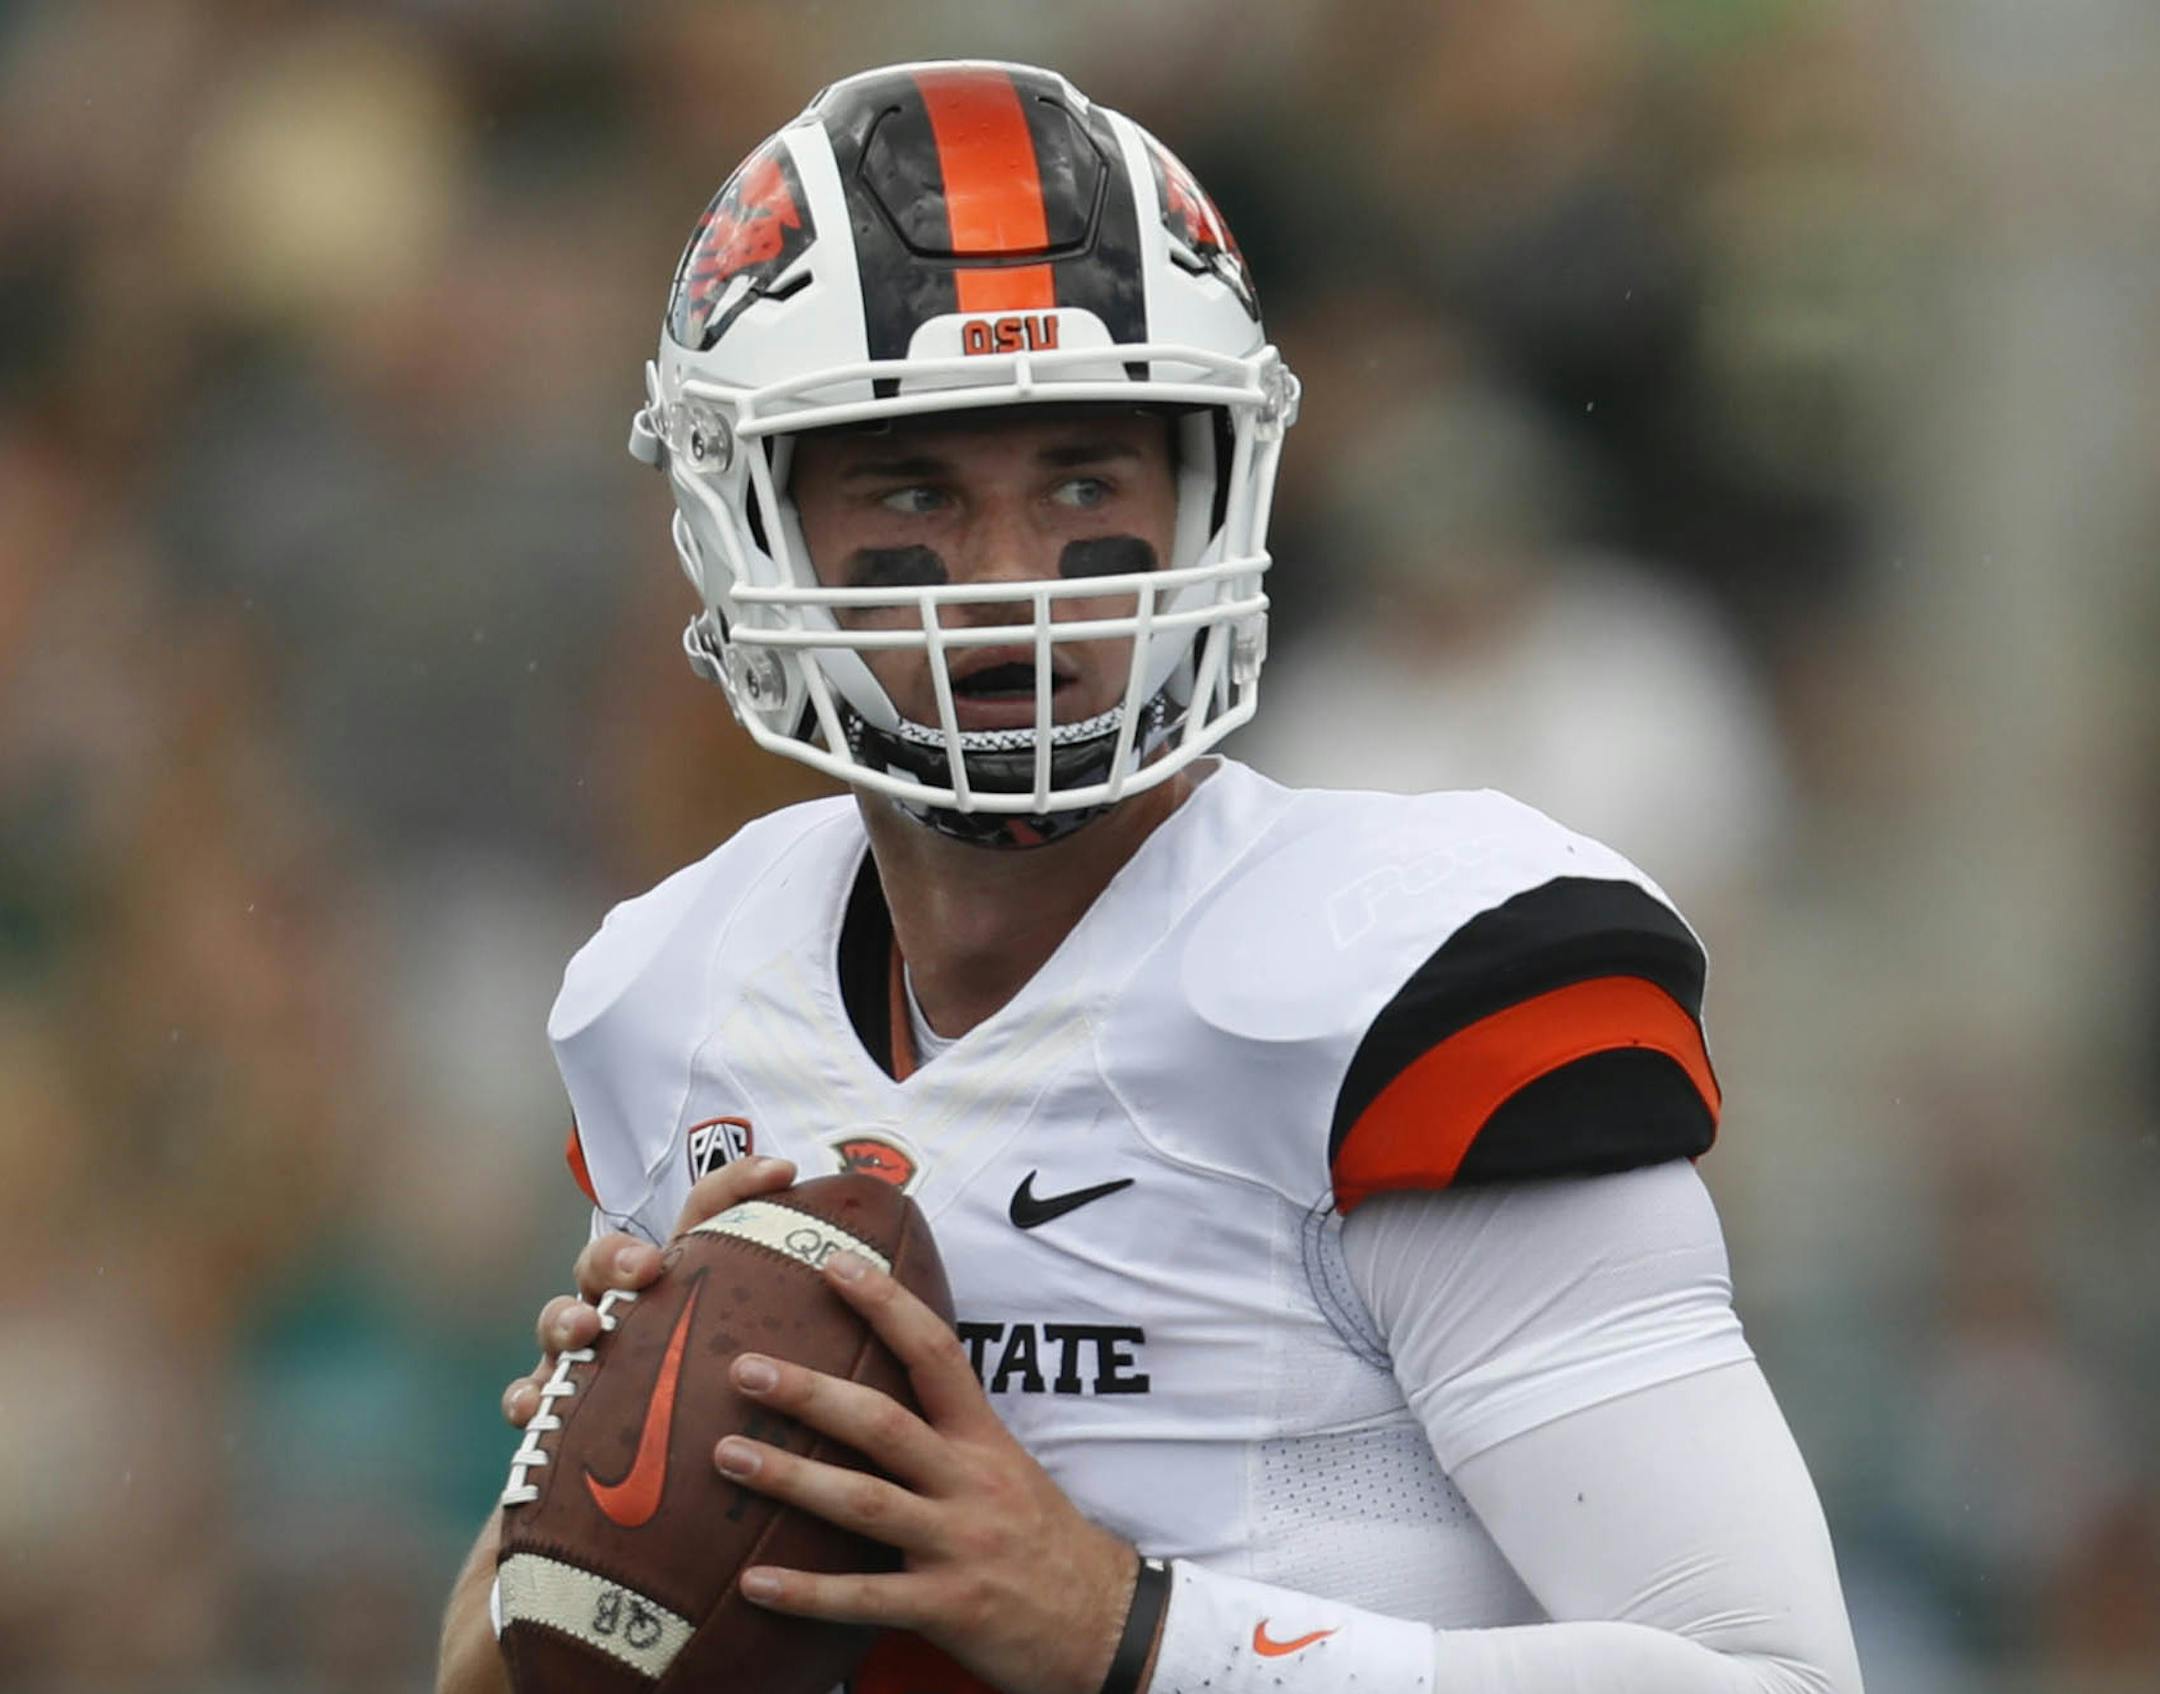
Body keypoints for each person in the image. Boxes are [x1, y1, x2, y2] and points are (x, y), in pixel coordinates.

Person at [437, 59, 1863, 1694]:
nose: (1010, 580)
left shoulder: (1401, 983)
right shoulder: (680, 991)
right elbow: (493, 1673)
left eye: (1082, 482)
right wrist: (591, 1531)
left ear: (1202, 497)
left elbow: (1776, 1678)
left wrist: (1131, 1627)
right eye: (914, 488)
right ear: (749, 523)